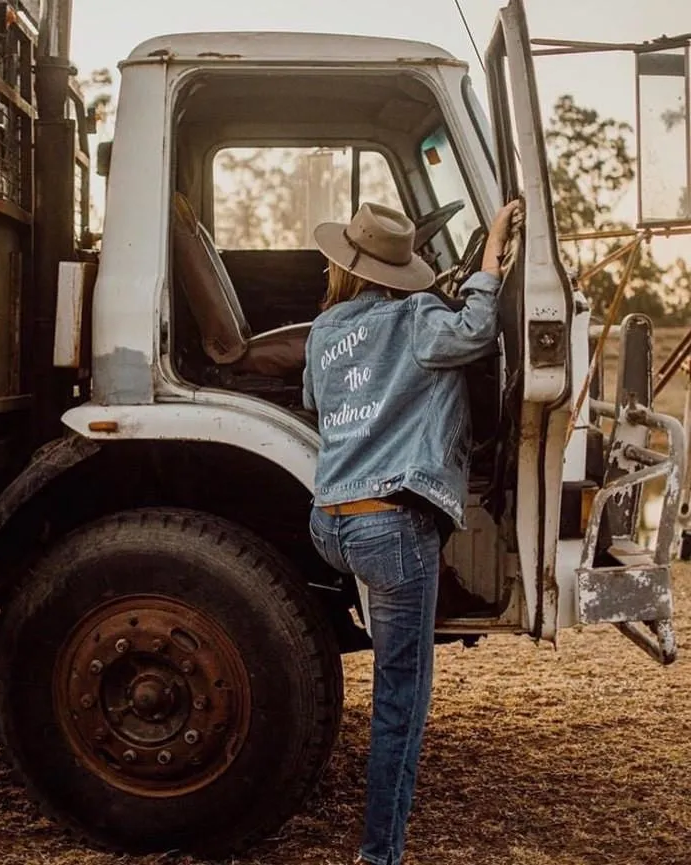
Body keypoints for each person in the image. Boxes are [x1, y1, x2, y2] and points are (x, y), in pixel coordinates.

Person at [302, 198, 519, 865]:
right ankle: (379, 854)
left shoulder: (322, 328)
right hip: (389, 529)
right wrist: (490, 262)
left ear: (344, 264)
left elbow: (318, 401)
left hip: (330, 522)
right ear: (401, 271)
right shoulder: (422, 317)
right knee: (402, 698)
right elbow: (480, 330)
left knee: (394, 665)